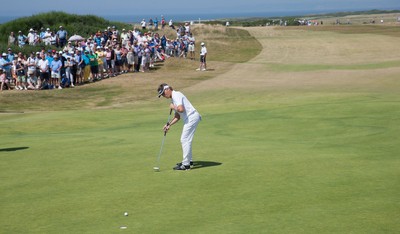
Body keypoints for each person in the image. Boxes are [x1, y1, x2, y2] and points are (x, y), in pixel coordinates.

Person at [157, 83, 201, 170]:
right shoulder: (173, 99)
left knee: (184, 139)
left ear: (168, 89)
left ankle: (186, 164)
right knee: (187, 140)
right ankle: (189, 161)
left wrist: (174, 107)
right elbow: (177, 116)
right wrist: (168, 124)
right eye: (161, 95)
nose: (163, 96)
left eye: (163, 93)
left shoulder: (176, 95)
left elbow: (181, 109)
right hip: (190, 118)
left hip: (191, 117)